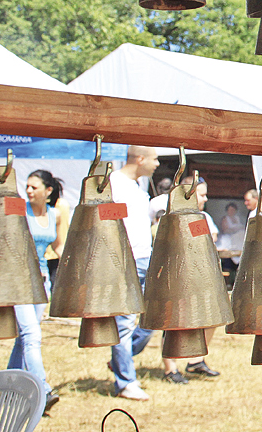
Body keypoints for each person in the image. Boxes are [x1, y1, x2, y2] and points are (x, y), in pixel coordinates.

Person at [147, 174, 222, 380]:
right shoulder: (171, 216)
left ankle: (196, 360)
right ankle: (170, 369)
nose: (206, 199)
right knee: (174, 323)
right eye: (202, 195)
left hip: (201, 275)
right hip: (176, 276)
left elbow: (211, 238)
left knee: (211, 318)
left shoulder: (204, 217)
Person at [108, 145, 161, 401]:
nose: (158, 164)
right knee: (125, 323)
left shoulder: (138, 187)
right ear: (140, 159)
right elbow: (106, 218)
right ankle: (125, 381)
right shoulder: (114, 183)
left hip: (144, 258)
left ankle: (122, 358)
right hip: (125, 259)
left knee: (151, 320)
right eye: (155, 159)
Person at [9, 169, 63, 414]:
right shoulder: (19, 210)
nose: (29, 191)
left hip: (42, 282)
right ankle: (43, 389)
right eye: (27, 187)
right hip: (20, 280)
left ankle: (10, 387)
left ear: (48, 190)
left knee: (24, 339)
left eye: (34, 187)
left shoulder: (55, 214)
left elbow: (58, 246)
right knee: (31, 335)